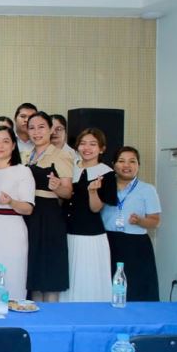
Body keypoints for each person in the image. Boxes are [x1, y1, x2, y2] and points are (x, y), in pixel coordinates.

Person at [62, 128, 118, 302]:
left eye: (93, 144)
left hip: (90, 235)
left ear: (101, 149)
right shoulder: (70, 167)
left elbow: (96, 209)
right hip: (66, 231)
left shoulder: (106, 173)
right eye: (83, 143)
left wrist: (93, 192)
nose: (87, 148)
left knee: (88, 278)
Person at [24, 111, 74, 302]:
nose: (36, 132)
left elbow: (67, 192)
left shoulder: (61, 155)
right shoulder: (26, 155)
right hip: (29, 215)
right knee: (34, 276)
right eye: (32, 128)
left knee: (50, 274)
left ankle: (51, 315)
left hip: (49, 217)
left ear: (51, 129)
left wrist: (57, 186)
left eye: (41, 127)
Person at [0, 126, 35, 299]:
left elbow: (28, 208)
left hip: (12, 231)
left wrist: (11, 202)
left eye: (5, 141)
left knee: (13, 276)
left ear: (13, 145)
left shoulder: (22, 170)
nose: (0, 145)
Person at [102, 147, 161, 301]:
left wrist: (140, 221)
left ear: (138, 165)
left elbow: (155, 221)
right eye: (121, 161)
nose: (126, 165)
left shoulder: (147, 189)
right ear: (113, 164)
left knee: (137, 289)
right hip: (108, 242)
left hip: (136, 245)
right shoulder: (104, 187)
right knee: (107, 288)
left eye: (132, 161)